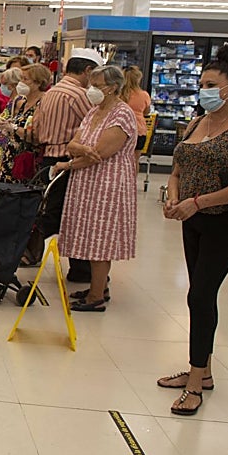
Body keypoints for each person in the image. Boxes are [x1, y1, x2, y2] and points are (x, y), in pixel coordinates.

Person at [158, 44, 228, 416]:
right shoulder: (198, 121)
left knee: (201, 296)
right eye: (201, 82)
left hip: (225, 222)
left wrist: (199, 201)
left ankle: (194, 382)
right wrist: (174, 198)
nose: (202, 89)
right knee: (198, 293)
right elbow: (177, 169)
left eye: (209, 83)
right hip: (193, 220)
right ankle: (202, 371)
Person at [52, 64, 139, 312]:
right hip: (87, 182)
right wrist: (79, 151)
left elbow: (100, 153)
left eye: (97, 85)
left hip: (108, 185)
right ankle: (98, 287)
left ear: (112, 88)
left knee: (101, 240)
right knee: (89, 236)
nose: (91, 90)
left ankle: (96, 297)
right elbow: (75, 144)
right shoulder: (94, 111)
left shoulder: (122, 115)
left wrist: (70, 161)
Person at [29, 47, 105, 281]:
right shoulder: (79, 95)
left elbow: (37, 128)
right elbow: (96, 124)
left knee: (51, 210)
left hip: (49, 157)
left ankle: (27, 250)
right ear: (88, 70)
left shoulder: (51, 93)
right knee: (73, 216)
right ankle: (79, 268)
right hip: (70, 161)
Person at [0, 64, 52, 189]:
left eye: (25, 79)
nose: (21, 82)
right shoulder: (22, 102)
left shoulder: (43, 104)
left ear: (38, 83)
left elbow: (36, 136)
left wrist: (14, 129)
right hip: (10, 160)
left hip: (26, 163)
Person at [121, 65, 153, 155]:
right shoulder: (144, 95)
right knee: (135, 160)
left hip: (121, 128)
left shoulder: (118, 94)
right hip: (139, 130)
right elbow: (146, 112)